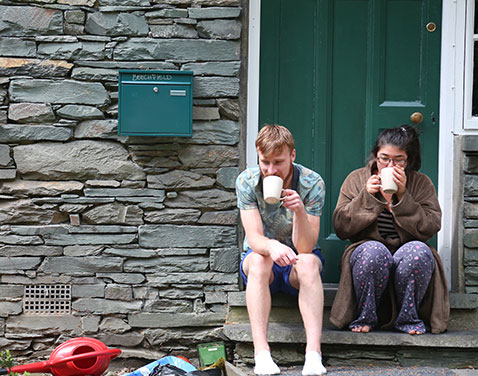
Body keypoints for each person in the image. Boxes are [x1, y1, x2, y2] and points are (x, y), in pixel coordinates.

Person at [330, 125, 449, 335]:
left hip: (407, 254)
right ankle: (365, 316)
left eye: (399, 160)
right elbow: (341, 227)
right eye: (384, 158)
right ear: (375, 155)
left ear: (409, 160)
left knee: (419, 252)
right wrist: (366, 198)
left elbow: (431, 226)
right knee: (374, 251)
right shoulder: (357, 179)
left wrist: (403, 198)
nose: (390, 165)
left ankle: (408, 319)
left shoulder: (421, 183)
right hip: (369, 255)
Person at [235, 124, 327, 375]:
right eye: (265, 162)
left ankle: (313, 355)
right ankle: (262, 354)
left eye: (278, 162)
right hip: (263, 260)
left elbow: (306, 247)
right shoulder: (247, 181)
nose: (271, 170)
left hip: (298, 261)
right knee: (258, 261)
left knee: (308, 262)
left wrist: (299, 211)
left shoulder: (312, 183)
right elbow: (254, 238)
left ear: (292, 156)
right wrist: (272, 246)